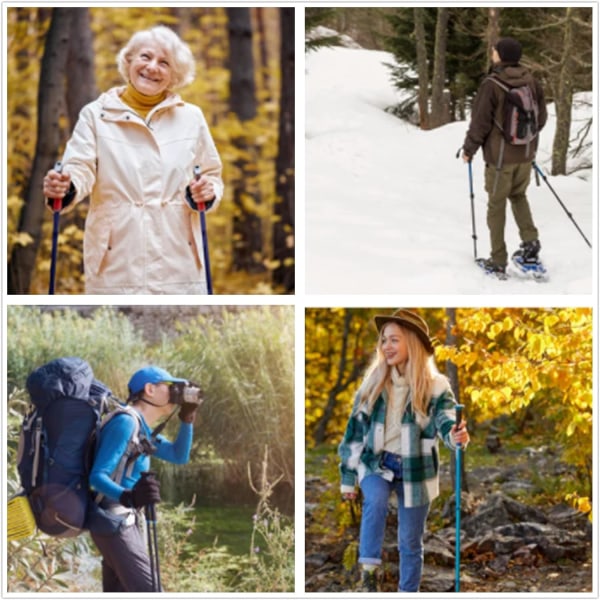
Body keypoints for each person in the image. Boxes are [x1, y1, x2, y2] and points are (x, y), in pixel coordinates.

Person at [42, 26, 223, 294]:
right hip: (116, 261)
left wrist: (206, 190)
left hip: (179, 260)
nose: (152, 67)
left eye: (164, 63)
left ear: (175, 76)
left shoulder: (191, 118)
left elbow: (211, 175)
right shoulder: (95, 115)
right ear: (128, 61)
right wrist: (65, 186)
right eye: (145, 57)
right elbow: (78, 167)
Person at [338, 309, 469, 592]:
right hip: (377, 464)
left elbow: (446, 420)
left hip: (416, 469)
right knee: (376, 501)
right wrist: (348, 478)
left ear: (413, 342)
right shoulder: (373, 383)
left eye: (394, 340)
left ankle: (407, 592)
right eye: (384, 340)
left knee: (410, 540)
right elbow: (354, 433)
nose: (387, 346)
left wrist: (455, 435)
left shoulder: (435, 386)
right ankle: (369, 573)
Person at [89, 365, 200, 592]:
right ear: (150, 389)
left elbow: (179, 456)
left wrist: (187, 419)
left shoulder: (141, 429)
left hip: (122, 521)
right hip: (114, 520)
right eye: (170, 387)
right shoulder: (126, 423)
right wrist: (128, 496)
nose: (175, 393)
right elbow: (97, 476)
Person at [462, 37, 547, 277]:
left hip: (500, 161)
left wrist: (469, 149)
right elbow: (540, 119)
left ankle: (498, 260)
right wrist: (526, 144)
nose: (492, 52)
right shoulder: (531, 81)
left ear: (501, 55)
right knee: (519, 196)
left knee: (496, 205)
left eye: (495, 50)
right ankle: (531, 246)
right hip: (525, 156)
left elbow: (480, 122)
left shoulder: (492, 84)